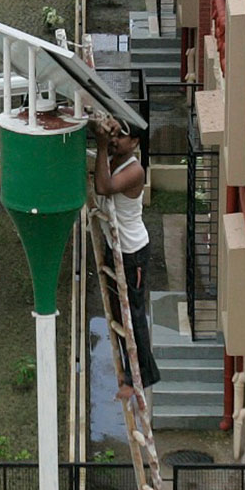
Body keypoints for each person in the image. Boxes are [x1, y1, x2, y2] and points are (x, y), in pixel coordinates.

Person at [91, 116, 161, 404]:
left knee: (133, 314)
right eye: (114, 134)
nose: (116, 139)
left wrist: (101, 146)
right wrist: (99, 133)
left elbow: (103, 187)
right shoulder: (115, 159)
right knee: (120, 315)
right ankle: (132, 372)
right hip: (116, 248)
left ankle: (140, 377)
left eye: (122, 136)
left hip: (132, 252)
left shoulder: (134, 171)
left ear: (135, 143)